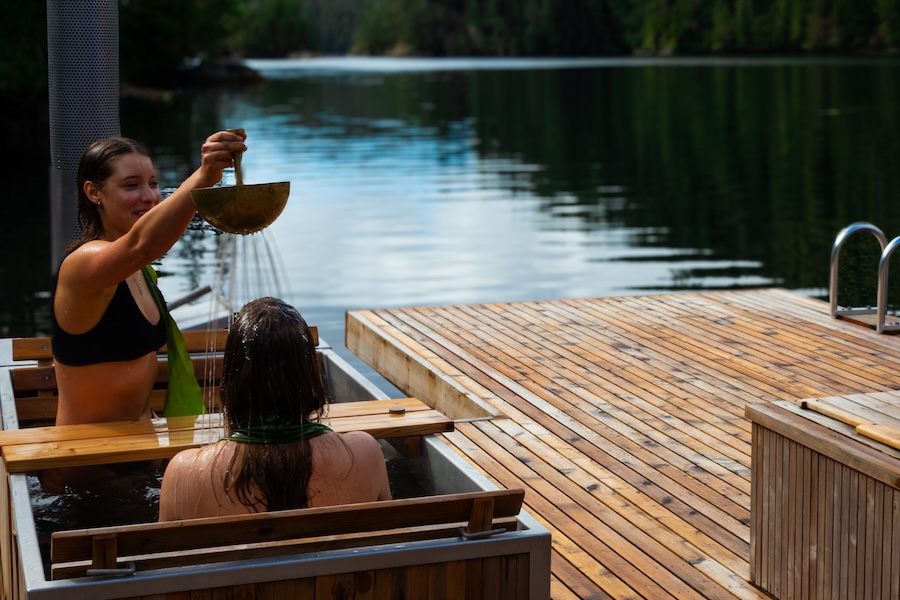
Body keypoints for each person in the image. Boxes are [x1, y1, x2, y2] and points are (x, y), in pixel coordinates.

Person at [51, 130, 247, 427]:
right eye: (132, 185)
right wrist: (205, 177)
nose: (149, 196)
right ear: (94, 193)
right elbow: (143, 245)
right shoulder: (83, 265)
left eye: (153, 184)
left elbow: (144, 246)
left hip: (147, 443)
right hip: (89, 460)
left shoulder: (138, 270)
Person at [158, 297, 391, 520]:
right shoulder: (364, 456)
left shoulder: (183, 474)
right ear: (309, 381)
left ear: (232, 384)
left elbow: (163, 559)